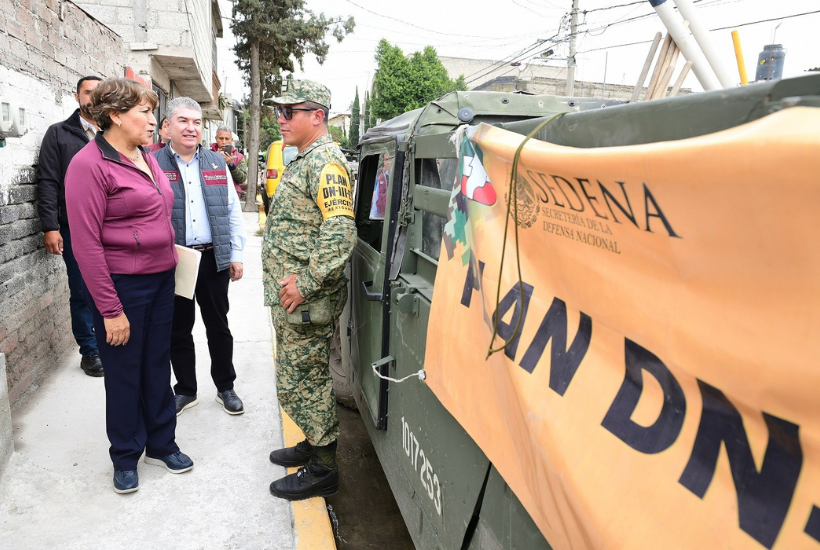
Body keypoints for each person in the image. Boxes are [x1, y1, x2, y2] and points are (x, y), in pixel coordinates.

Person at [64, 78, 193, 494]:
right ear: (116, 115)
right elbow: (84, 245)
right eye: (145, 112)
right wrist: (110, 308)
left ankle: (161, 442)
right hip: (121, 285)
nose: (153, 121)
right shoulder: (88, 165)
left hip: (160, 280)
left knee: (157, 363)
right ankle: (124, 453)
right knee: (123, 371)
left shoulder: (145, 157)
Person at [262, 80, 356, 501]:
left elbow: (340, 233)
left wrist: (306, 282)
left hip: (307, 300)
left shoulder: (326, 164)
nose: (280, 119)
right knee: (296, 378)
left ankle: (323, 468)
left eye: (289, 111)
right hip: (292, 301)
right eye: (278, 111)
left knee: (308, 379)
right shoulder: (304, 158)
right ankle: (312, 443)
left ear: (316, 116)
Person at [154, 98, 247, 417]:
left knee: (218, 325)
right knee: (178, 328)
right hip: (175, 259)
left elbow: (232, 210)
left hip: (212, 258)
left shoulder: (216, 162)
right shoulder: (154, 163)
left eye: (196, 122)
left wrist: (236, 254)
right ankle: (186, 390)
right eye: (183, 121)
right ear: (168, 126)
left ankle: (226, 386)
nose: (191, 127)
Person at [37, 75, 104, 377]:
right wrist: (50, 226)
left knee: (114, 286)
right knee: (82, 290)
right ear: (77, 97)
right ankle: (90, 351)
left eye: (98, 93)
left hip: (111, 226)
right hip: (74, 227)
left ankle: (112, 341)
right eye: (87, 93)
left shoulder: (114, 132)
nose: (93, 98)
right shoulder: (59, 134)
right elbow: (48, 181)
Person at [210, 125, 246, 196]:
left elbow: (242, 179)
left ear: (231, 140)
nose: (224, 142)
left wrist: (231, 165)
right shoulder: (208, 155)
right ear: (216, 138)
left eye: (227, 139)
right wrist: (214, 160)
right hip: (213, 194)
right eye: (221, 138)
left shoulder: (239, 157)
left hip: (232, 195)